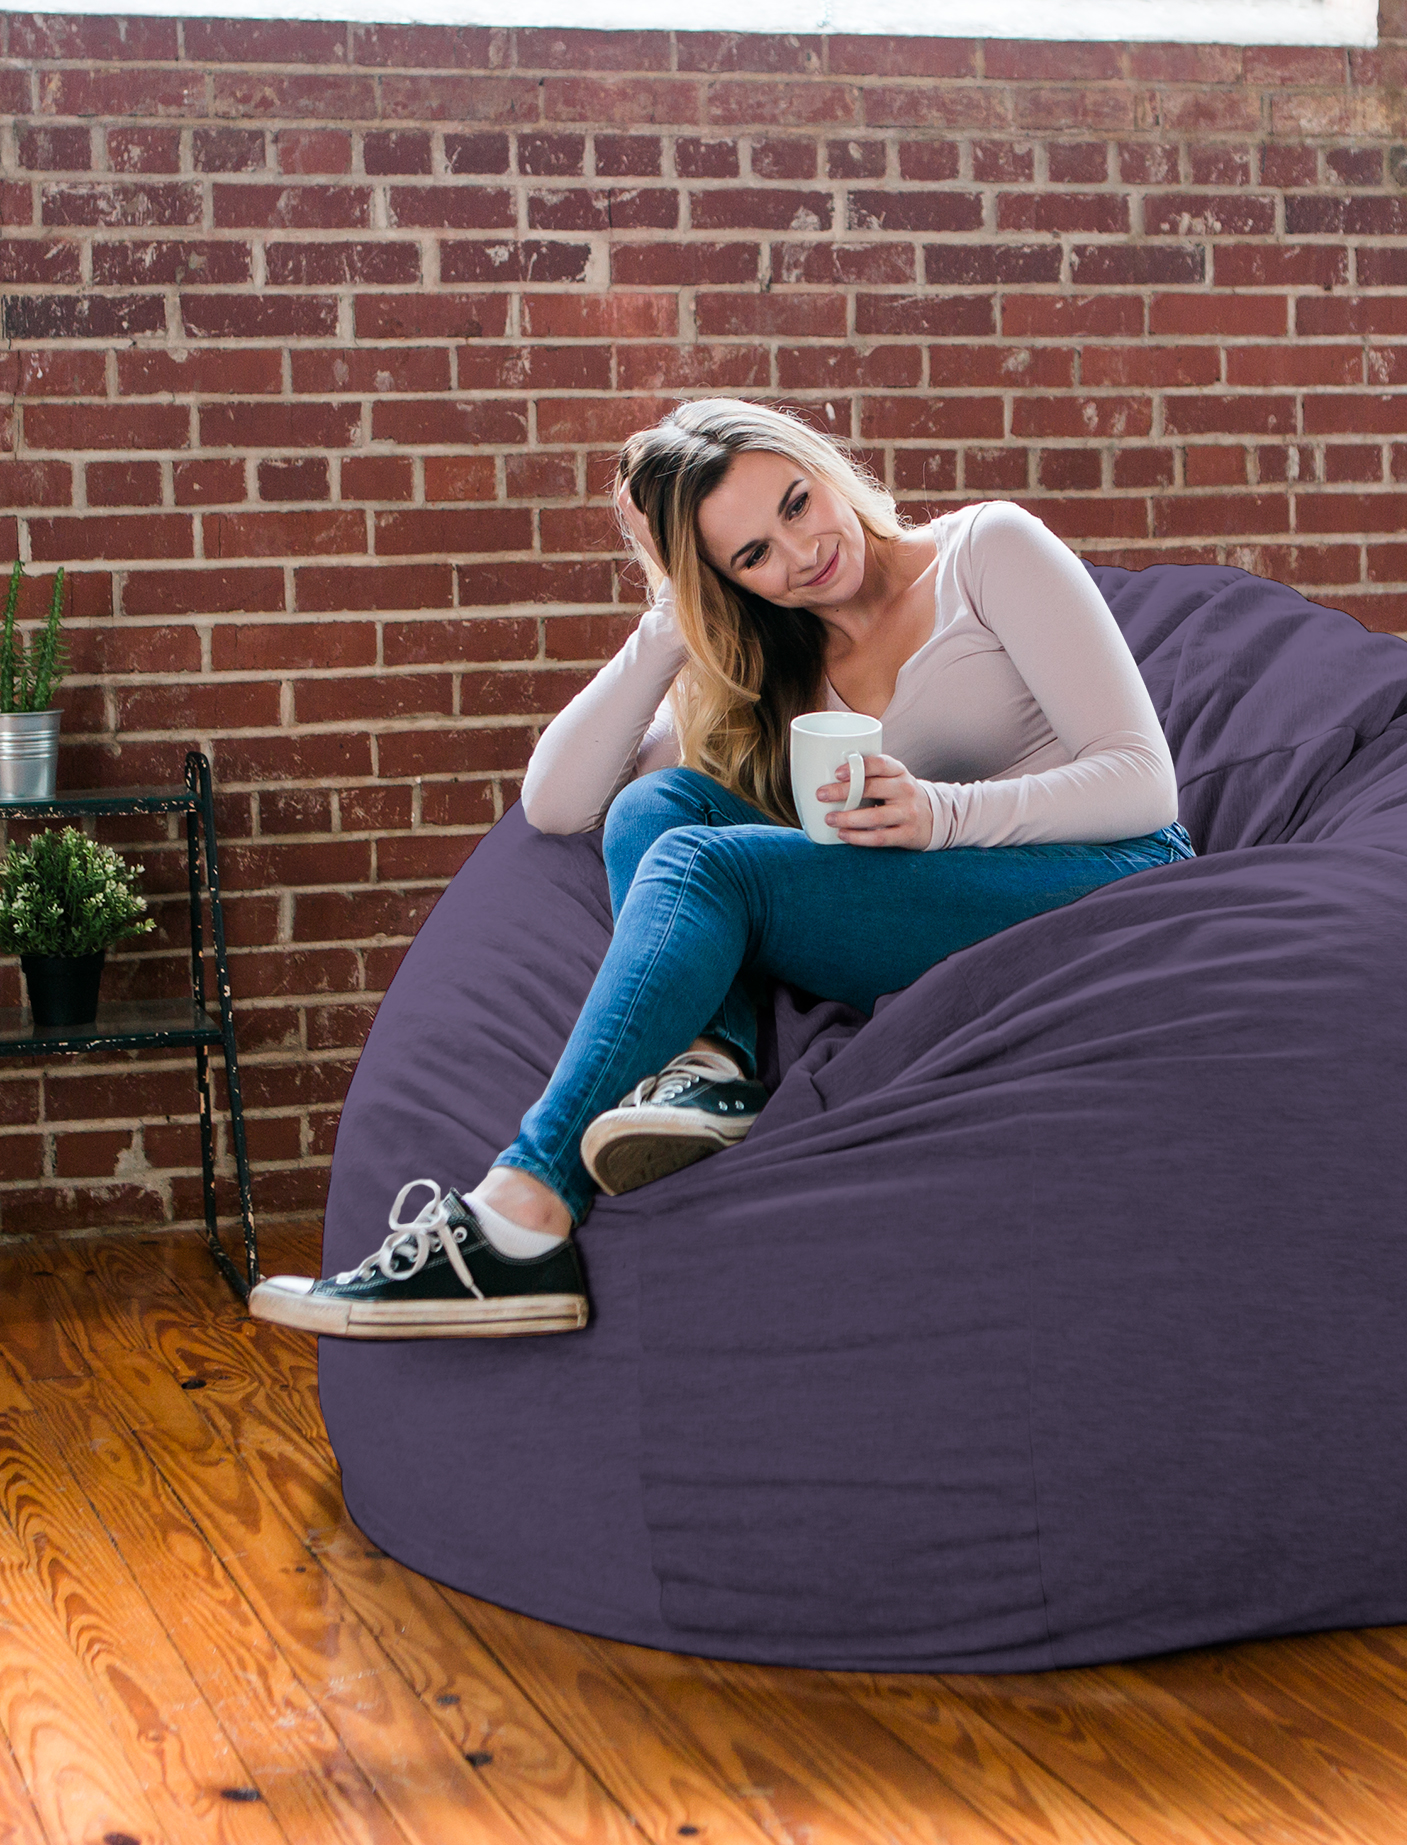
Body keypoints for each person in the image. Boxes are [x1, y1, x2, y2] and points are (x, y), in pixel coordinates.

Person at [250, 399, 1192, 1340]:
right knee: (653, 808)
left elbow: (1147, 785)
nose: (802, 554)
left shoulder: (985, 550)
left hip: (1101, 872)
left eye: (796, 503)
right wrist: (671, 617)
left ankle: (522, 1207)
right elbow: (558, 802)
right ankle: (710, 1067)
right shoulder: (781, 661)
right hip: (940, 894)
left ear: (819, 466)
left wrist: (939, 814)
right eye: (753, 556)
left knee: (706, 868)